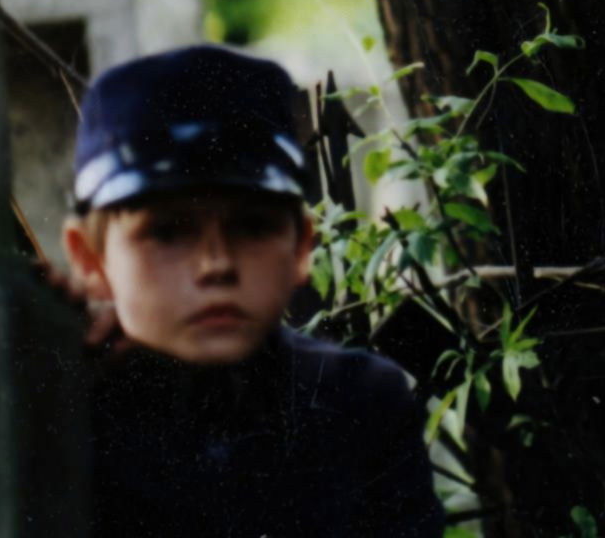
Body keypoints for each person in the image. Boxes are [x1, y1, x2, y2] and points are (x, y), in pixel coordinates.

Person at [60, 46, 444, 537]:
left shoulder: (359, 404)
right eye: (168, 232)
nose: (216, 265)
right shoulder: (53, 417)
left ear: (301, 247)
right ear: (90, 260)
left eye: (253, 226)